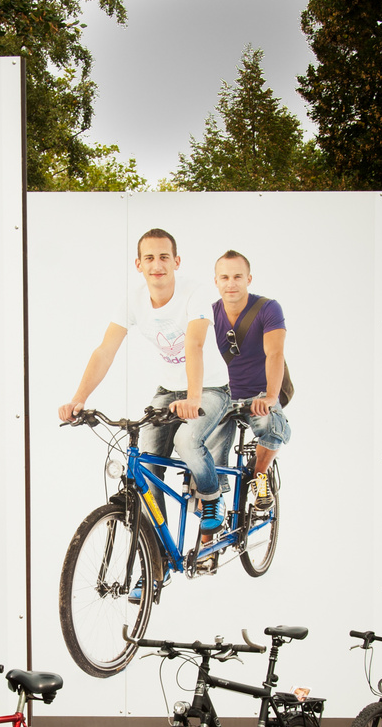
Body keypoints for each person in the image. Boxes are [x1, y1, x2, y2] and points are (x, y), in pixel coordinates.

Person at [58, 229, 230, 534]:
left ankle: (211, 496)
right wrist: (78, 398)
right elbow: (105, 351)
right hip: (168, 391)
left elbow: (195, 345)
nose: (157, 265)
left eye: (164, 257)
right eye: (149, 258)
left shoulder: (197, 292)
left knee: (186, 441)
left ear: (176, 261)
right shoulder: (134, 300)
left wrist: (193, 398)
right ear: (138, 264)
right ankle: (157, 557)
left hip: (209, 388)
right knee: (147, 468)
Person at [208, 251, 290, 512]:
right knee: (206, 454)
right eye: (225, 277)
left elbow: (275, 353)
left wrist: (269, 397)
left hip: (260, 392)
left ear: (249, 279)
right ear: (216, 281)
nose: (231, 283)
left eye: (237, 277)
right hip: (223, 396)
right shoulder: (208, 315)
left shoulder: (267, 308)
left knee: (270, 423)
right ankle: (212, 527)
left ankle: (259, 474)